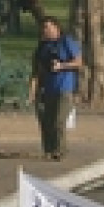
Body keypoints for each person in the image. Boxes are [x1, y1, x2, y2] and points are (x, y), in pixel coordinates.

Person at [28, 18, 83, 159]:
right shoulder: (43, 47)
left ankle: (60, 150)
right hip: (48, 89)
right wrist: (32, 91)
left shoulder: (66, 42)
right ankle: (49, 150)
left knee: (59, 120)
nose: (45, 30)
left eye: (48, 27)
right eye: (44, 28)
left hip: (65, 88)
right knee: (47, 121)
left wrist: (62, 66)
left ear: (56, 28)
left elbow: (78, 62)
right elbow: (36, 71)